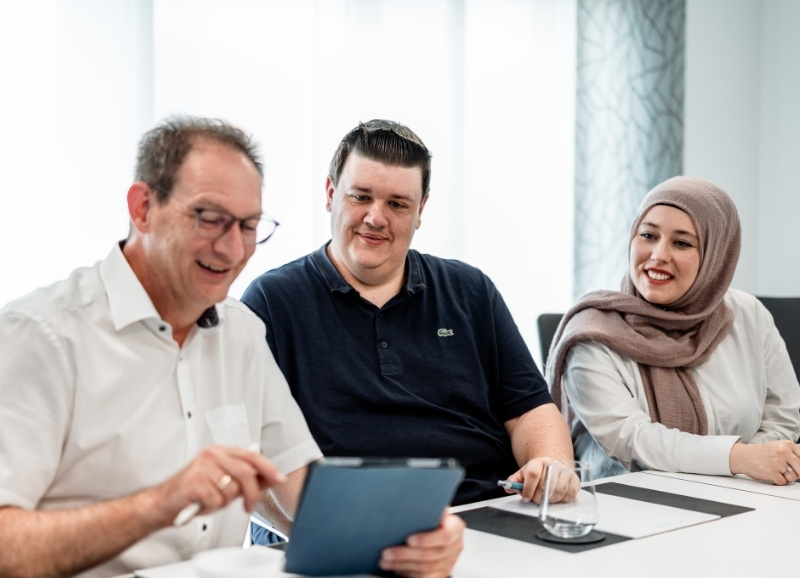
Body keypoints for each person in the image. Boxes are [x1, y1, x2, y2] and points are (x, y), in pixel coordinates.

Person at [0, 116, 463, 578]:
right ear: (142, 208)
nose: (232, 249)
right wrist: (157, 505)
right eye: (209, 219)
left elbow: (303, 486)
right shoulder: (40, 336)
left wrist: (416, 535)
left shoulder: (239, 329)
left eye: (248, 225)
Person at [241, 119, 574, 509]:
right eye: (360, 197)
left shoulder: (470, 290)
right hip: (345, 524)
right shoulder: (272, 301)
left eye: (397, 204)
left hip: (484, 511)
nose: (376, 218)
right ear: (331, 193)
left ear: (420, 210)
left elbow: (529, 410)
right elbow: (250, 458)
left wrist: (549, 466)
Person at [546, 176, 800, 483]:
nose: (658, 255)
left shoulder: (748, 315)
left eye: (681, 243)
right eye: (648, 235)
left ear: (716, 256)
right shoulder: (592, 333)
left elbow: (783, 413)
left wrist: (750, 466)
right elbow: (632, 440)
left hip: (745, 496)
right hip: (626, 505)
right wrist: (738, 459)